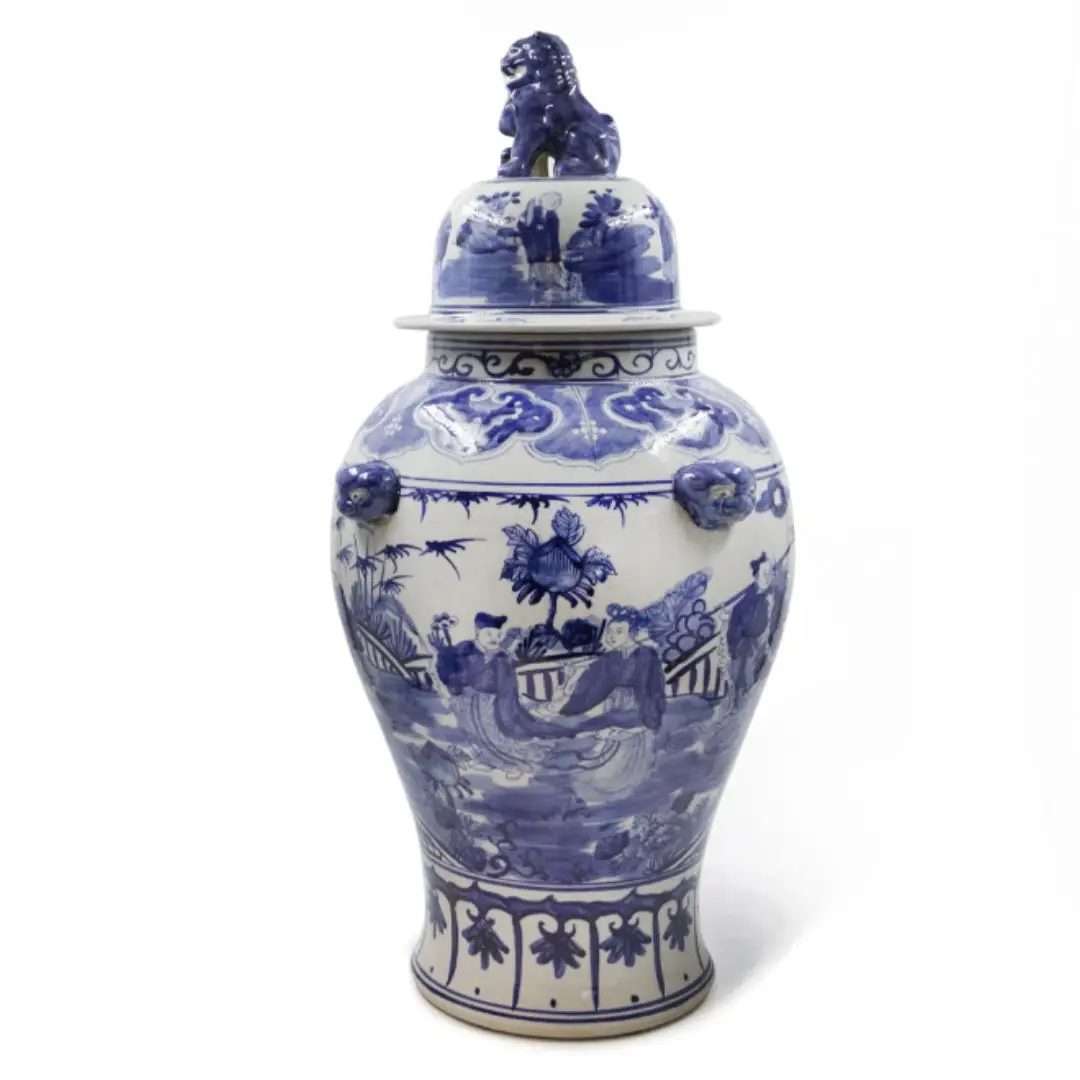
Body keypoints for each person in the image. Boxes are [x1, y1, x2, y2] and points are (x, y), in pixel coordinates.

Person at [556, 608, 667, 799]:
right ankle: (603, 765)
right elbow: (592, 679)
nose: (612, 636)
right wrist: (572, 681)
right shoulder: (612, 657)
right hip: (614, 706)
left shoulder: (646, 655)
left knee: (612, 731)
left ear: (632, 633)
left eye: (619, 631)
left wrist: (648, 718)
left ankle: (622, 778)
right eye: (610, 631)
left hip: (638, 708)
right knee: (595, 727)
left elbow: (653, 689)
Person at [726, 553, 774, 703]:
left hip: (755, 646)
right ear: (756, 576)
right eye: (764, 574)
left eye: (770, 573)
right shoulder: (747, 602)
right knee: (742, 676)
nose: (768, 577)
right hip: (744, 647)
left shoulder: (766, 597)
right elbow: (749, 627)